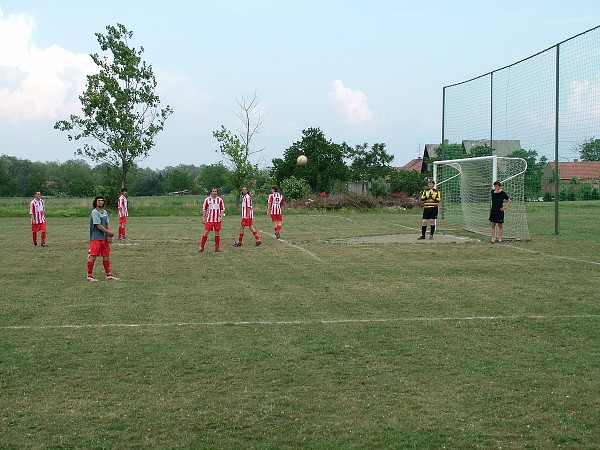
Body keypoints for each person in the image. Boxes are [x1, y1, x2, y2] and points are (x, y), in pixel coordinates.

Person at [87, 195, 119, 281]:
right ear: (95, 202)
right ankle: (89, 275)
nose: (100, 202)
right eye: (99, 200)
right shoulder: (94, 212)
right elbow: (98, 226)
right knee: (93, 256)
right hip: (96, 238)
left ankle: (108, 274)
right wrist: (109, 233)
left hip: (104, 238)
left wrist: (108, 236)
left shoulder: (104, 212)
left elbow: (107, 223)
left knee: (106, 256)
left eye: (102, 200)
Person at [199, 186, 225, 253]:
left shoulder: (220, 200)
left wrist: (221, 216)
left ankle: (217, 248)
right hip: (209, 219)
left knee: (217, 233)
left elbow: (222, 209)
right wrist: (204, 218)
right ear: (211, 192)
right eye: (213, 191)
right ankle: (201, 247)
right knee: (206, 232)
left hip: (217, 220)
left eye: (215, 191)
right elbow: (204, 209)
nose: (214, 193)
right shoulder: (207, 200)